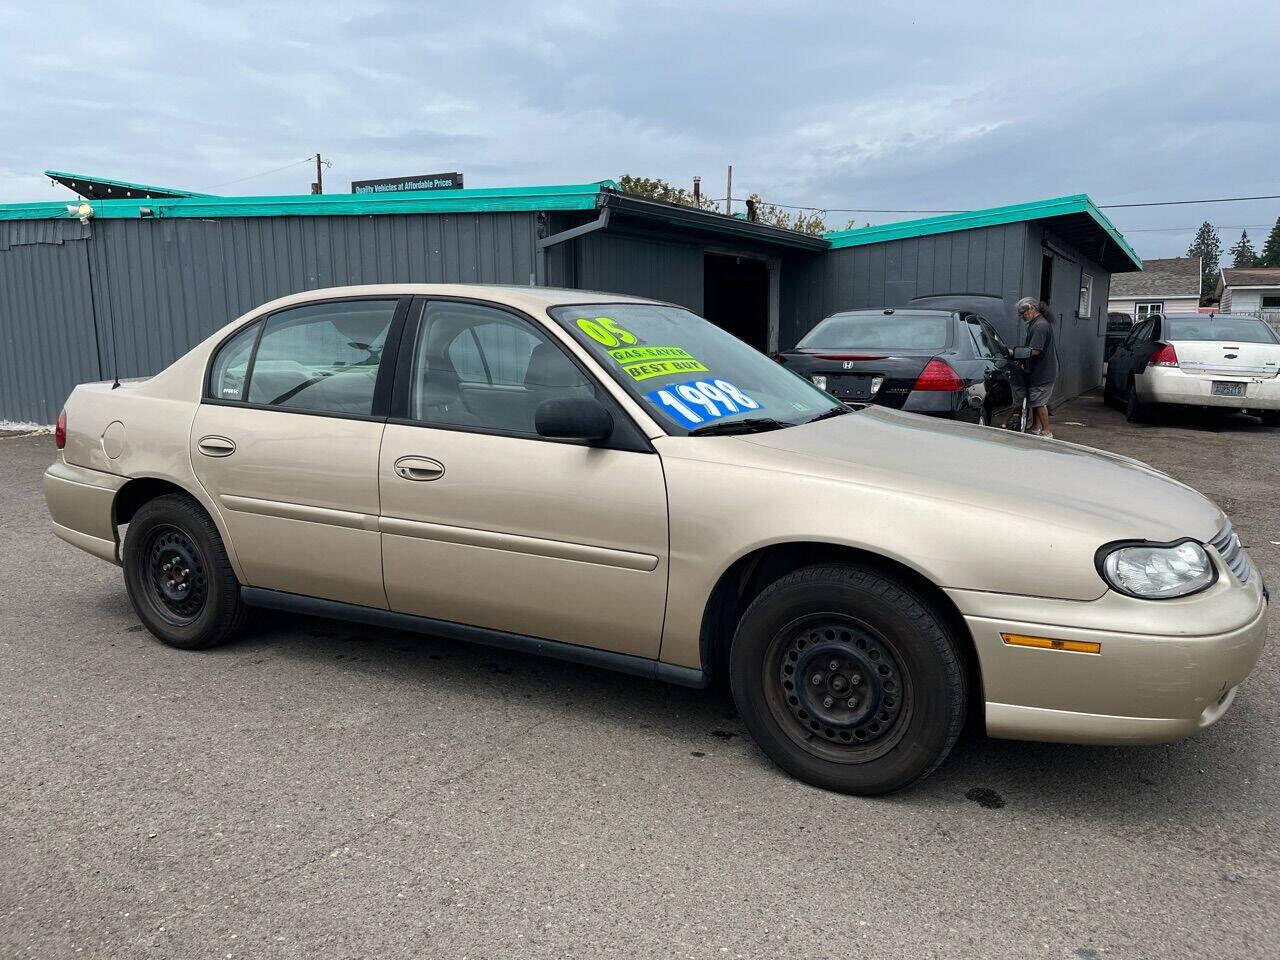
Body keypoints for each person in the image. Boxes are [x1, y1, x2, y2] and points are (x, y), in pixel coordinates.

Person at [1011, 297, 1058, 438]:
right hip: (1039, 371)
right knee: (1035, 400)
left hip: (1043, 372)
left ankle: (1046, 431)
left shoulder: (1040, 326)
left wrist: (1015, 353)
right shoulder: (1036, 323)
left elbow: (1036, 350)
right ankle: (1036, 427)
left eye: (1022, 312)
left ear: (1032, 308)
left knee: (1039, 401)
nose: (1021, 316)